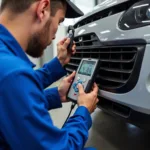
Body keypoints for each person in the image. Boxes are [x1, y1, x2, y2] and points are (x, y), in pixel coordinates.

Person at [0, 0, 99, 149]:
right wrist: (83, 111)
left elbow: (12, 102)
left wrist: (56, 94)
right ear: (43, 9)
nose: (54, 35)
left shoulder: (7, 64)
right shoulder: (14, 73)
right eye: (59, 21)